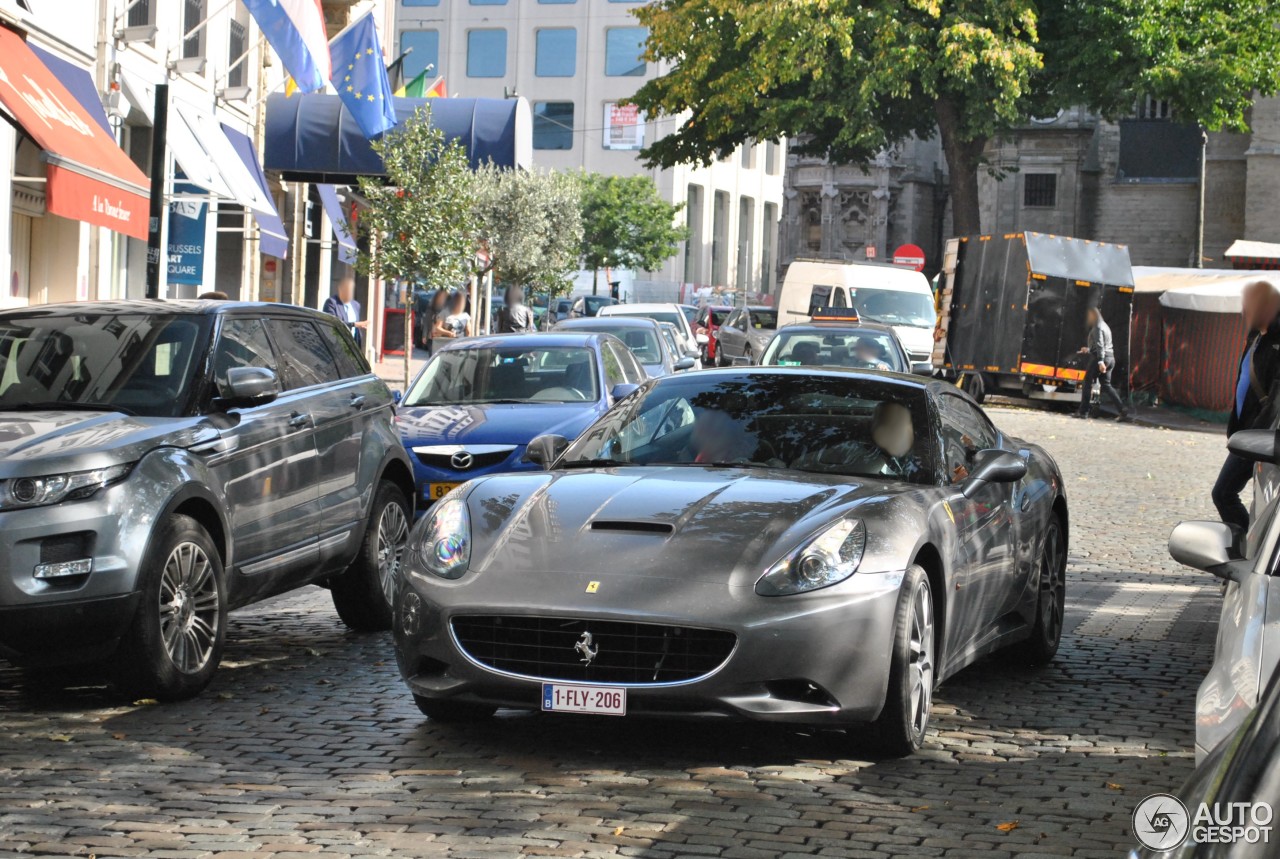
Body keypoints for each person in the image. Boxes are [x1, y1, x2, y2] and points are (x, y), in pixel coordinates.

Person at [1213, 279, 1280, 534]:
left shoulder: (1276, 345)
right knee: (1242, 497)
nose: (1244, 311)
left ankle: (1247, 551)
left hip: (1262, 439)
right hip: (1245, 435)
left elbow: (1274, 403)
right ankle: (1247, 547)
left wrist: (1253, 442)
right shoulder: (1255, 338)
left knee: (1224, 493)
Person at [1074, 306, 1131, 421]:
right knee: (1106, 385)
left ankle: (1083, 412)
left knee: (1087, 382)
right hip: (1110, 358)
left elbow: (1100, 345)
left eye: (1089, 315)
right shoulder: (1105, 326)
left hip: (1101, 359)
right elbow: (1102, 345)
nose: (1088, 318)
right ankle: (1122, 410)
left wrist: (1100, 361)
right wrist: (1089, 350)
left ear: (1093, 315)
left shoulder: (1098, 327)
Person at [322, 274, 367, 347]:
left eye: (350, 289)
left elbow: (357, 330)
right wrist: (354, 324)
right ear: (340, 289)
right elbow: (331, 323)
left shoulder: (356, 305)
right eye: (345, 289)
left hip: (352, 344)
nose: (348, 292)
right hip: (336, 343)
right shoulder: (331, 303)